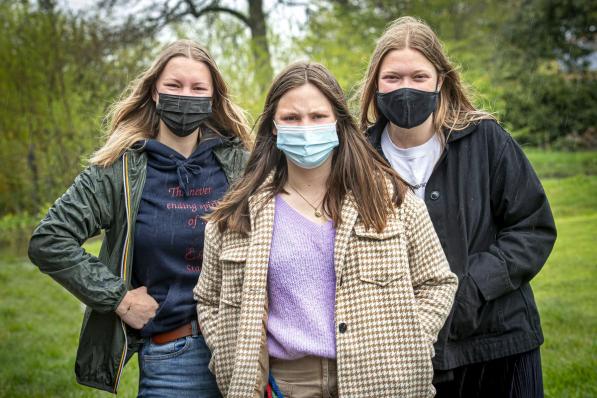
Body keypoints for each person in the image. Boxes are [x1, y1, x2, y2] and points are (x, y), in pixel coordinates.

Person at [194, 61, 458, 398]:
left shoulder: (389, 199)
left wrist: (410, 338)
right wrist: (231, 356)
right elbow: (208, 299)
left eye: (317, 116)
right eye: (291, 118)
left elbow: (437, 281)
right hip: (285, 383)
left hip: (380, 378)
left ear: (338, 122)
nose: (305, 128)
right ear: (274, 126)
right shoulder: (237, 215)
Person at [28, 39, 251, 396]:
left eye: (198, 88)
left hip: (249, 350)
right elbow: (49, 240)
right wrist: (120, 298)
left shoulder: (240, 163)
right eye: (174, 86)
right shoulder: (119, 170)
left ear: (212, 100)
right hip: (176, 356)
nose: (186, 96)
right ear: (154, 94)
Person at [358, 16, 557, 398]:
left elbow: (531, 228)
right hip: (404, 352)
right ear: (375, 84)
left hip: (498, 341)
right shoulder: (358, 159)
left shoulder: (485, 140)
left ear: (440, 80)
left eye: (418, 77)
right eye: (392, 78)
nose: (405, 88)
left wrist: (471, 288)